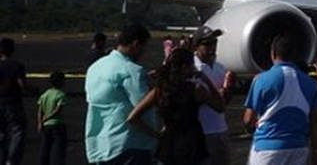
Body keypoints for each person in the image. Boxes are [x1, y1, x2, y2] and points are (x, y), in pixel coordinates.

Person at [127, 48, 224, 165]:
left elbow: (132, 118)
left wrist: (156, 134)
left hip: (168, 145)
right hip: (193, 145)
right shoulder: (196, 89)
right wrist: (207, 81)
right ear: (184, 67)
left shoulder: (160, 91)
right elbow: (219, 107)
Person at [243, 35, 317, 165]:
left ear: (273, 54)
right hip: (298, 147)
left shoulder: (261, 80)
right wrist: (316, 150)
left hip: (267, 148)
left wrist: (252, 125)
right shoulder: (310, 83)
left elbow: (248, 119)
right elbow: (314, 121)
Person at [85, 23, 159, 165]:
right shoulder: (131, 70)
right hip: (129, 145)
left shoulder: (95, 67)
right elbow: (143, 104)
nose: (143, 53)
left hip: (99, 146)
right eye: (143, 48)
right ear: (136, 44)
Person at [192, 26, 235, 165]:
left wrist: (228, 91)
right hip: (201, 131)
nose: (212, 47)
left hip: (220, 128)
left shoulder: (220, 68)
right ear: (196, 46)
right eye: (207, 43)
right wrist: (215, 94)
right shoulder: (192, 68)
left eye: (214, 43)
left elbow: (224, 103)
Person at [0, 37, 26, 165]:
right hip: (12, 102)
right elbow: (21, 84)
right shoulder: (16, 66)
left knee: (2, 132)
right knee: (17, 131)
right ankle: (11, 159)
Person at [37, 71, 67, 165]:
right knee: (59, 148)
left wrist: (40, 122)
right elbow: (57, 110)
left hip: (46, 126)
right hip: (57, 124)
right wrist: (47, 118)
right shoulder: (61, 94)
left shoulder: (45, 94)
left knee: (45, 147)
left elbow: (40, 110)